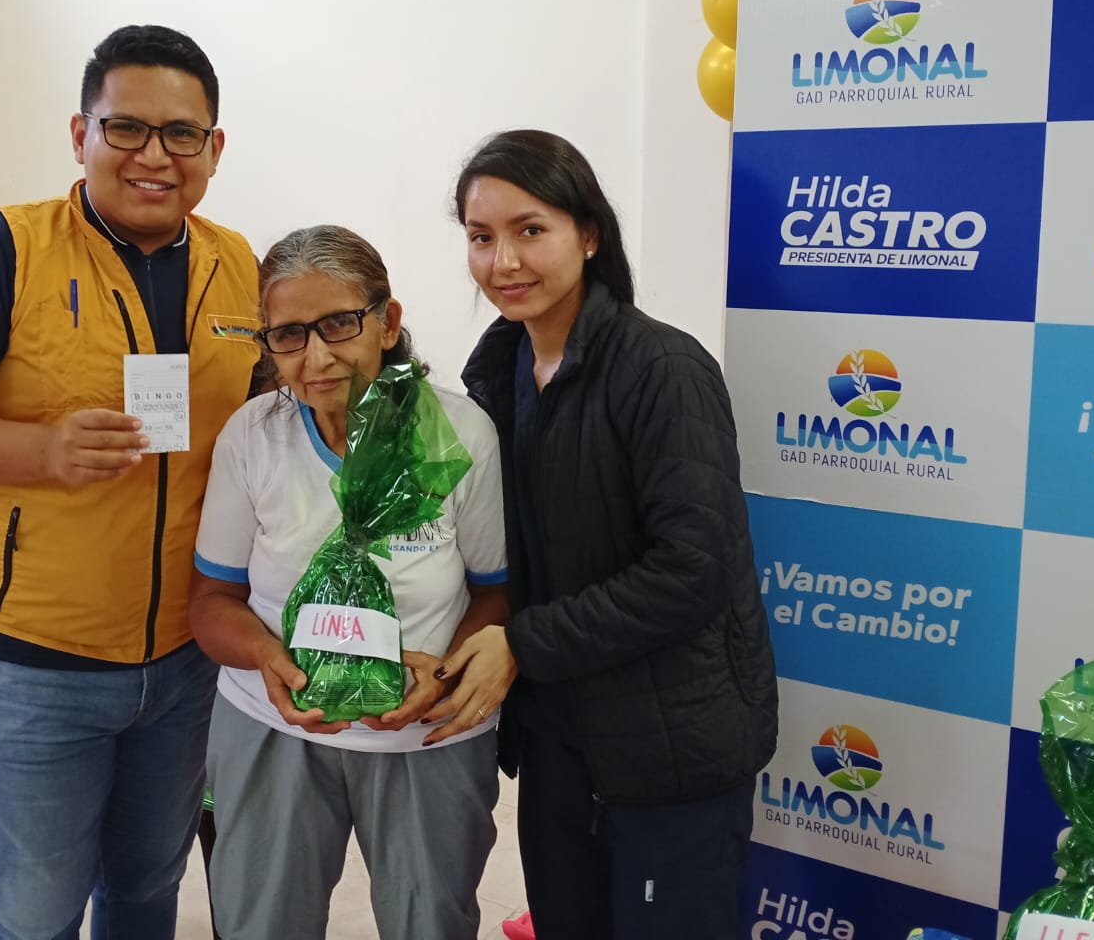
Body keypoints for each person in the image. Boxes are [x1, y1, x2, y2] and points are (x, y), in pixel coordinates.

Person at [0, 25, 260, 940]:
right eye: (126, 128)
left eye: (181, 134)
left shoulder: (238, 264)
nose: (153, 156)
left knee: (146, 886)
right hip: (33, 661)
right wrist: (44, 452)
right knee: (32, 911)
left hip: (185, 655)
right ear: (81, 134)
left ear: (214, 148)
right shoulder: (0, 251)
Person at [437, 129, 778, 940]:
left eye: (530, 230)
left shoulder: (662, 368)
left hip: (670, 751)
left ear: (588, 234)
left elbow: (691, 570)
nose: (503, 261)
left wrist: (522, 644)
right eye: (480, 237)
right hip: (558, 741)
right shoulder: (496, 373)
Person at [189, 224, 509, 940]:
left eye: (339, 324)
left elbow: (495, 590)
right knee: (260, 921)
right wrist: (266, 658)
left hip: (426, 735)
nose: (317, 357)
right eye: (288, 335)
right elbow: (212, 600)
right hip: (274, 724)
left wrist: (444, 676)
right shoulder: (252, 436)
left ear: (387, 323)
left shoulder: (458, 434)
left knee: (431, 921)